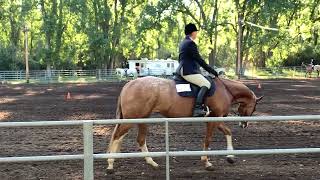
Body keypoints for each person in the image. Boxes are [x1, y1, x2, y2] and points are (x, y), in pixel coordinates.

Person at [177, 23, 219, 117]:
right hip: (188, 71)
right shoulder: (191, 43)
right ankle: (197, 108)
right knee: (206, 84)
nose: (196, 34)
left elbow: (182, 59)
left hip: (183, 69)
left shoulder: (183, 42)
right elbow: (199, 60)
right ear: (193, 32)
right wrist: (212, 71)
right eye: (196, 32)